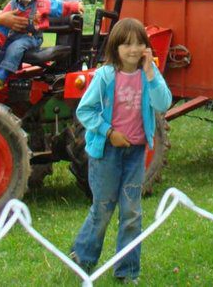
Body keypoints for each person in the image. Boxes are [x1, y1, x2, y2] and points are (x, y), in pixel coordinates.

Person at [70, 18, 172, 281]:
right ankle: (82, 257)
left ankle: (127, 272)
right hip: (106, 154)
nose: (133, 49)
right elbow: (85, 110)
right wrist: (109, 132)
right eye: (126, 44)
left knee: (131, 212)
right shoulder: (105, 76)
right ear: (115, 47)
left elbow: (163, 103)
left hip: (135, 155)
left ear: (146, 48)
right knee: (103, 207)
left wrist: (151, 74)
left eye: (139, 43)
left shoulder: (149, 75)